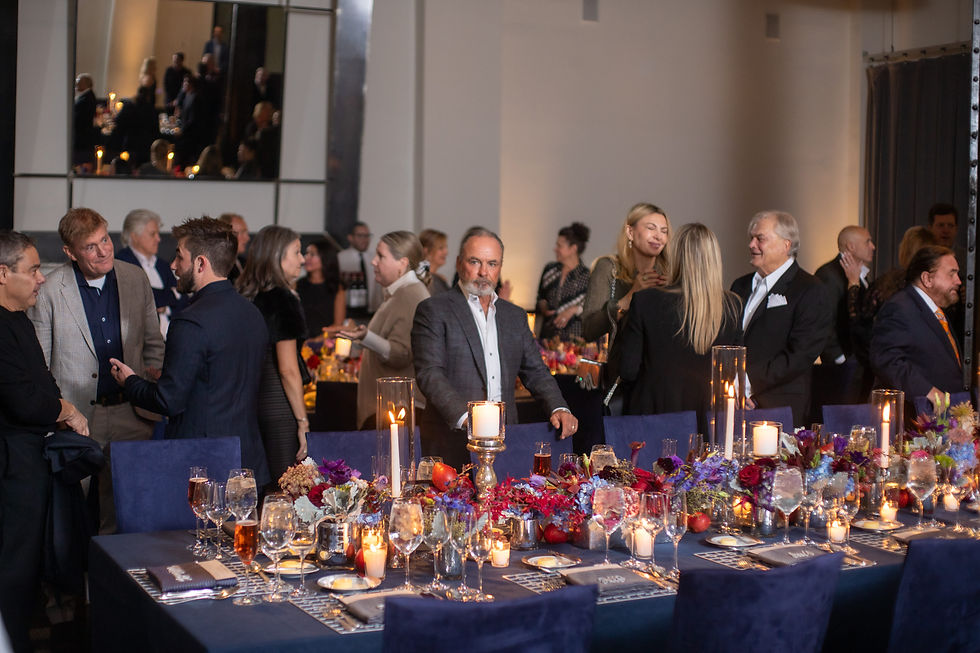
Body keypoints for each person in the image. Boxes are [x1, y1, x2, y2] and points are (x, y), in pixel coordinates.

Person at [28, 208, 164, 533]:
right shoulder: (49, 290)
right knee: (74, 513)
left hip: (132, 415)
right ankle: (74, 581)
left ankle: (116, 581)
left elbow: (153, 343)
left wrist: (150, 384)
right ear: (70, 251)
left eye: (105, 239)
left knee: (125, 513)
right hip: (77, 419)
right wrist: (60, 416)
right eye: (90, 246)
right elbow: (40, 366)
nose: (103, 250)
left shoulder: (134, 277)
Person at [109, 217, 271, 488]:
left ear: (200, 263)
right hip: (248, 458)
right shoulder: (252, 313)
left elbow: (168, 401)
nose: (173, 265)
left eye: (179, 256)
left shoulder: (189, 322)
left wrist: (131, 382)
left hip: (205, 463)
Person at [412, 227, 578, 469]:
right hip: (451, 439)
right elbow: (430, 374)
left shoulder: (514, 315)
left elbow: (536, 371)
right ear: (459, 263)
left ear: (500, 267)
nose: (483, 272)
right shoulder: (434, 310)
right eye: (475, 262)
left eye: (492, 263)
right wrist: (469, 420)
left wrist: (558, 406)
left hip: (506, 440)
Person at [0, 231, 89, 653]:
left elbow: (42, 380)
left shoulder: (17, 317)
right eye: (33, 269)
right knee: (13, 568)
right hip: (10, 467)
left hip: (29, 464)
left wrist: (59, 404)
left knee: (30, 565)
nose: (41, 278)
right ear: (3, 274)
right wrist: (67, 410)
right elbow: (24, 401)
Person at [619, 223, 741, 431]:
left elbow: (627, 370)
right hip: (709, 421)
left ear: (676, 257)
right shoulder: (733, 305)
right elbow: (731, 372)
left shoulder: (645, 300)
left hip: (654, 417)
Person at [730, 211, 831, 427]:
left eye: (760, 238)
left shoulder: (810, 289)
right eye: (751, 238)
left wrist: (748, 384)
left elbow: (800, 354)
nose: (751, 244)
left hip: (778, 406)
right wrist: (732, 389)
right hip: (734, 403)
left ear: (787, 244)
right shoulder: (739, 286)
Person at [237, 226, 311, 488]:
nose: (302, 259)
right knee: (287, 488)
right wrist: (303, 422)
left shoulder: (247, 295)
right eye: (297, 252)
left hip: (250, 401)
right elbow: (288, 369)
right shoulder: (281, 298)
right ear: (278, 256)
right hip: (279, 404)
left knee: (261, 486)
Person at [581, 203, 670, 409]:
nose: (659, 236)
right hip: (619, 382)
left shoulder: (670, 274)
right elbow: (588, 329)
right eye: (651, 228)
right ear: (630, 231)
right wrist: (631, 296)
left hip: (658, 383)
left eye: (664, 231)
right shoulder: (609, 268)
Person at [339, 231, 431, 428]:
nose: (373, 262)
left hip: (396, 411)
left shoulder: (410, 295)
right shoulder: (399, 293)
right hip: (389, 409)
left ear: (402, 263)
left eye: (381, 256)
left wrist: (366, 337)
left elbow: (402, 354)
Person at [870, 245, 966, 406]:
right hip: (917, 417)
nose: (958, 281)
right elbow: (886, 358)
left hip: (942, 417)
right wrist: (928, 391)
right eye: (952, 274)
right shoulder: (900, 307)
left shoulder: (934, 309)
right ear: (927, 279)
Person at [813, 226, 876, 405]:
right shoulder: (828, 275)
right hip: (844, 366)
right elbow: (823, 321)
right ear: (851, 246)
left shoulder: (861, 275)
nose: (873, 246)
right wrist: (839, 358)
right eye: (867, 242)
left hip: (861, 364)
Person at [116, 209, 188, 337]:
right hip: (139, 339)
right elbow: (140, 298)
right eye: (152, 234)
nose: (158, 239)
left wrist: (165, 308)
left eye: (158, 234)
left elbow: (184, 300)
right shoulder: (121, 262)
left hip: (171, 337)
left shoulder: (163, 265)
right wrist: (171, 294)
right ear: (134, 236)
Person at [536, 222, 591, 340]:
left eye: (559, 246)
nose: (555, 249)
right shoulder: (549, 270)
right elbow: (540, 297)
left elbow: (592, 308)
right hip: (547, 340)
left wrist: (574, 310)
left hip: (573, 342)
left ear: (573, 248)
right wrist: (543, 306)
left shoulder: (587, 277)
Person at [297, 237, 345, 337]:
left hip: (326, 343)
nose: (307, 258)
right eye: (307, 253)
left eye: (313, 254)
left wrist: (317, 341)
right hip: (300, 341)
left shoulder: (337, 287)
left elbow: (338, 324)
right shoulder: (297, 285)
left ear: (325, 258)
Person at [338, 221, 381, 320]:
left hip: (372, 311)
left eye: (367, 236)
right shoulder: (340, 258)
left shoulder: (376, 258)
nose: (365, 239)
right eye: (360, 236)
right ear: (350, 237)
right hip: (349, 311)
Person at [72, 73, 98, 167]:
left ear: (85, 83)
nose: (76, 84)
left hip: (82, 139)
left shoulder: (86, 98)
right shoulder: (86, 96)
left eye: (78, 81)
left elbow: (77, 119)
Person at [218, 213, 250, 282]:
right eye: (242, 232)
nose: (247, 238)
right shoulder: (220, 268)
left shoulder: (245, 263)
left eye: (246, 233)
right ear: (227, 236)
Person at [419, 228, 451, 295]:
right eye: (441, 248)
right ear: (426, 251)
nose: (446, 252)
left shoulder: (439, 279)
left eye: (446, 247)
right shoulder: (424, 280)